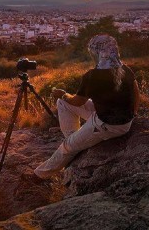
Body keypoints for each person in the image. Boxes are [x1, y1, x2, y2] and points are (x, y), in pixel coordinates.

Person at [32, 34, 140, 179]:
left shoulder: (92, 76)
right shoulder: (125, 69)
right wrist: (133, 113)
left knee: (66, 147)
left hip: (106, 125)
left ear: (96, 53)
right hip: (118, 119)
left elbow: (77, 102)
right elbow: (136, 92)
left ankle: (40, 175)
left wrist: (63, 94)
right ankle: (76, 139)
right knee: (62, 104)